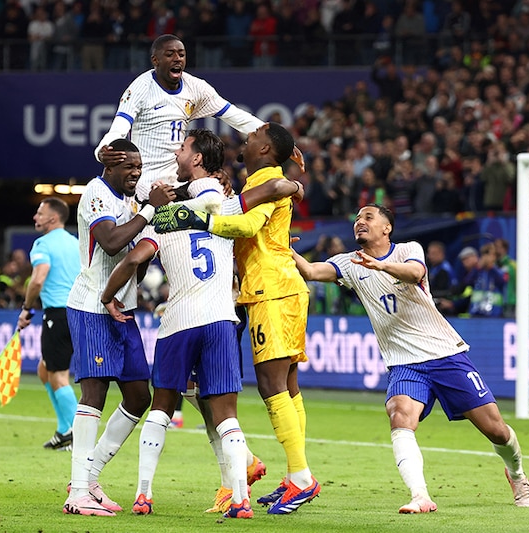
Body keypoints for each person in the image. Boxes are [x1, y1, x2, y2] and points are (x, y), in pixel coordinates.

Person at [101, 128, 302, 518]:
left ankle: (144, 494)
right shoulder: (226, 204)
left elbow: (130, 259)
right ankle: (240, 494)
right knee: (223, 410)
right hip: (221, 319)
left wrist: (108, 297)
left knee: (162, 407)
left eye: (182, 147)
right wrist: (291, 184)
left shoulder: (167, 216)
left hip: (178, 321)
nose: (176, 151)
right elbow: (263, 191)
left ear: (195, 159)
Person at [290, 203, 529, 513]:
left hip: (445, 354)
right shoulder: (349, 263)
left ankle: (517, 475)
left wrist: (381, 267)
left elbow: (416, 272)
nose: (359, 222)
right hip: (404, 363)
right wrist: (286, 250)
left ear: (386, 227)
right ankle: (420, 495)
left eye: (368, 217)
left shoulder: (408, 249)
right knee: (400, 416)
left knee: (496, 429)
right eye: (357, 219)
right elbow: (312, 271)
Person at [153, 122, 319, 515]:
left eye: (256, 135)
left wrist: (199, 220)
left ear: (265, 150)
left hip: (271, 290)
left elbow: (245, 224)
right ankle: (296, 474)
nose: (249, 136)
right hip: (279, 286)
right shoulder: (267, 178)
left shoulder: (265, 178)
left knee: (271, 383)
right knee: (289, 384)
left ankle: (301, 477)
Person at [62, 138, 175, 517]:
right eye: (129, 167)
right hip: (93, 304)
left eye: (139, 168)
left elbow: (134, 260)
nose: (136, 173)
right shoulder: (96, 193)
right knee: (94, 393)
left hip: (122, 308)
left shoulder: (130, 200)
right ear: (110, 167)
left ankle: (90, 475)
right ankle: (77, 492)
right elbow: (110, 243)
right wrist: (147, 213)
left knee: (139, 396)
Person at [93, 34, 304, 203]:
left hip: (179, 177)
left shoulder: (196, 88)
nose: (177, 59)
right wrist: (102, 150)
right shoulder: (140, 88)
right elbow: (119, 128)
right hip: (146, 181)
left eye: (181, 54)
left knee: (220, 195)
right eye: (170, 54)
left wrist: (282, 141)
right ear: (155, 60)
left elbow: (235, 116)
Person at [17, 197, 81, 451]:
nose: (36, 217)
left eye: (40, 213)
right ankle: (65, 429)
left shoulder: (43, 244)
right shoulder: (75, 243)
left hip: (58, 313)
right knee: (44, 369)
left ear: (53, 218)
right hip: (77, 312)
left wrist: (26, 308)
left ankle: (78, 432)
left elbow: (38, 279)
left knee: (58, 375)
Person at [495, 238, 516, 318]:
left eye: (497, 247)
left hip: (508, 301)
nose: (495, 249)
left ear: (504, 249)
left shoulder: (511, 265)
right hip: (498, 301)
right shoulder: (494, 265)